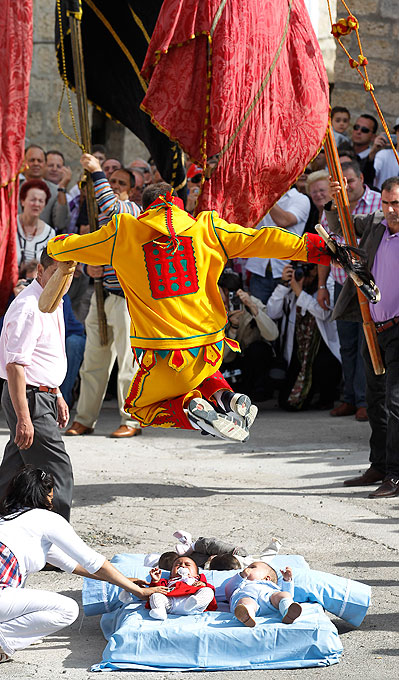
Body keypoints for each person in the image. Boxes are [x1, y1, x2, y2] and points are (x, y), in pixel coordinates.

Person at [47, 182, 333, 443]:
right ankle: (230, 400)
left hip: (163, 354)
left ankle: (192, 410)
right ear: (179, 204)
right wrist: (318, 248)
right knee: (204, 375)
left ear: (145, 207)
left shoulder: (124, 233)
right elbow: (264, 239)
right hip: (210, 346)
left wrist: (56, 246)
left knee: (140, 408)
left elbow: (70, 246)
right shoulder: (208, 228)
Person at [0, 466, 167, 663]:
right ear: (43, 495)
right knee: (67, 610)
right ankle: (4, 641)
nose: (52, 503)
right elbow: (94, 561)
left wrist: (125, 581)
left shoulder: (10, 521)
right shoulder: (46, 518)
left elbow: (74, 566)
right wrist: (138, 592)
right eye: (51, 497)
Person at [326, 176, 399, 498]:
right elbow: (342, 224)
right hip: (374, 326)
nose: (391, 209)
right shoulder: (376, 225)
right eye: (386, 203)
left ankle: (396, 474)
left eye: (396, 202)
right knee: (376, 400)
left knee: (395, 402)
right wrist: (336, 200)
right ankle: (380, 465)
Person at [66, 154, 142, 439]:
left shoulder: (130, 209)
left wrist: (96, 170)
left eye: (120, 182)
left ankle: (131, 420)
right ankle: (85, 418)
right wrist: (89, 266)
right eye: (110, 181)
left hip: (126, 299)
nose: (113, 185)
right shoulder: (100, 218)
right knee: (93, 362)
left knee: (127, 364)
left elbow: (112, 207)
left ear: (131, 190)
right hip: (102, 296)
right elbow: (88, 252)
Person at [0, 250, 73, 520]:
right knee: (58, 467)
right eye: (56, 273)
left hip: (41, 394)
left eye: (69, 274)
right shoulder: (29, 306)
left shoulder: (53, 299)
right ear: (40, 271)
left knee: (15, 464)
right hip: (28, 397)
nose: (64, 281)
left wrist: (57, 393)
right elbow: (15, 366)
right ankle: (58, 542)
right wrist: (23, 417)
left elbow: (43, 357)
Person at [318, 161, 382, 422]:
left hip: (370, 286)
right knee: (347, 345)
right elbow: (328, 242)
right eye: (341, 182)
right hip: (340, 283)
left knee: (368, 345)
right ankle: (349, 398)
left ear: (362, 178)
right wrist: (321, 286)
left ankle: (365, 400)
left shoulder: (382, 203)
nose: (346, 186)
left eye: (350, 181)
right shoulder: (333, 206)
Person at [267, 262, 341, 411]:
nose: (303, 273)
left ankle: (327, 397)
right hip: (299, 353)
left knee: (324, 365)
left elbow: (325, 313)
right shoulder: (291, 286)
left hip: (322, 351)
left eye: (308, 269)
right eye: (299, 268)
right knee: (286, 403)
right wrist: (283, 285)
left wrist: (300, 294)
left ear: (317, 270)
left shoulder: (327, 285)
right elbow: (272, 312)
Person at [246, 187, 311, 304]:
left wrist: (265, 195)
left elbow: (284, 220)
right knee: (258, 316)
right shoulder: (257, 196)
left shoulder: (300, 199)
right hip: (258, 270)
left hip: (285, 272)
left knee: (283, 319)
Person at [221, 285, 278, 402]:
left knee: (258, 350)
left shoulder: (251, 302)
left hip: (251, 356)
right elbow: (219, 357)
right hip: (230, 360)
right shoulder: (212, 308)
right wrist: (232, 328)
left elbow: (273, 335)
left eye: (229, 296)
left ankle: (259, 390)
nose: (227, 301)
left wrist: (253, 307)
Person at [226, 561, 302, 627]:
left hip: (270, 601)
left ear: (267, 578)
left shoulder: (271, 587)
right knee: (245, 601)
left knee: (284, 595)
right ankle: (247, 614)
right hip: (249, 598)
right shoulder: (243, 583)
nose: (247, 569)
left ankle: (288, 610)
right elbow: (228, 590)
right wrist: (241, 576)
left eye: (252, 567)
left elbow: (289, 594)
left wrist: (287, 580)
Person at [146, 556, 216, 620]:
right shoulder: (168, 581)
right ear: (171, 574)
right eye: (178, 565)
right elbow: (155, 589)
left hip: (195, 606)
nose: (182, 566)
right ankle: (160, 611)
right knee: (155, 595)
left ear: (197, 575)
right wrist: (155, 581)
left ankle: (195, 601)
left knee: (208, 591)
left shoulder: (198, 581)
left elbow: (211, 590)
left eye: (187, 565)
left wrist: (204, 584)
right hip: (171, 604)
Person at [22, 145, 70, 233]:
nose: (36, 163)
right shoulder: (13, 188)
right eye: (32, 160)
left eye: (39, 161)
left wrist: (62, 188)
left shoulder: (55, 191)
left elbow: (60, 223)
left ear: (44, 164)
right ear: (23, 162)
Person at [17, 180, 55, 266]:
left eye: (41, 201)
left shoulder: (50, 233)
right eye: (33, 200)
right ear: (22, 201)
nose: (36, 204)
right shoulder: (9, 226)